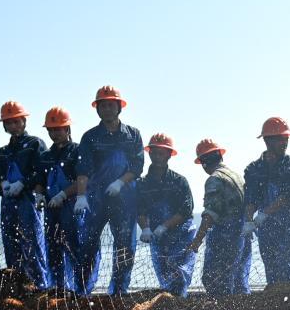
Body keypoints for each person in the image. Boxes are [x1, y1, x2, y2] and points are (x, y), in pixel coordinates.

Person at [75, 86, 144, 295]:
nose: (106, 109)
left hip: (125, 199)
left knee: (125, 246)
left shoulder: (132, 135)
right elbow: (83, 168)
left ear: (119, 107)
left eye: (110, 105)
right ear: (97, 109)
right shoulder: (89, 137)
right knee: (88, 245)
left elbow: (137, 166)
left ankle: (119, 292)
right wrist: (80, 196)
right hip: (97, 198)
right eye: (102, 105)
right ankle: (83, 291)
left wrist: (120, 182)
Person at [0, 101, 50, 288]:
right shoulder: (2, 152)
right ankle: (17, 288)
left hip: (28, 201)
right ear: (4, 126)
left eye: (17, 122)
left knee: (32, 244)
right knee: (11, 246)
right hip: (9, 204)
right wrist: (3, 184)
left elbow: (42, 171)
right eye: (9, 123)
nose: (13, 126)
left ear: (24, 122)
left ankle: (39, 287)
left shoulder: (35, 144)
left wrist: (24, 183)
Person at [38, 107, 95, 294]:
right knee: (53, 249)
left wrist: (64, 194)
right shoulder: (45, 156)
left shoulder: (78, 151)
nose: (54, 133)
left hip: (72, 208)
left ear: (68, 129)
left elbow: (83, 177)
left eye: (58, 129)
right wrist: (39, 195)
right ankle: (57, 289)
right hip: (51, 209)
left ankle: (80, 291)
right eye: (51, 130)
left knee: (76, 249)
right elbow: (39, 180)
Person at [243, 117, 290, 284]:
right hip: (267, 229)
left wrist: (263, 214)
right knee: (271, 269)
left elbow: (288, 195)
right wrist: (249, 221)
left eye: (286, 139)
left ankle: (288, 302)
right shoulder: (254, 169)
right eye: (280, 139)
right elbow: (251, 198)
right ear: (267, 140)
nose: (285, 142)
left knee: (286, 268)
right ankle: (276, 303)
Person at [187, 139, 250, 295]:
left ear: (204, 163)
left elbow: (210, 215)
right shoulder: (236, 176)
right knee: (239, 281)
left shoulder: (214, 179)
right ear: (220, 156)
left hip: (225, 237)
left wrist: (196, 241)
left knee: (214, 280)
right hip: (243, 235)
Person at [136, 134, 196, 296]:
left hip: (182, 235)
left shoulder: (179, 181)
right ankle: (169, 305)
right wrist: (145, 229)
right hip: (157, 237)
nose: (157, 156)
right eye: (154, 152)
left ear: (169, 155)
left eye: (161, 153)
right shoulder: (142, 183)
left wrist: (164, 226)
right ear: (149, 153)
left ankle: (180, 303)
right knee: (164, 276)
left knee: (179, 274)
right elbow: (140, 210)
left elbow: (186, 210)